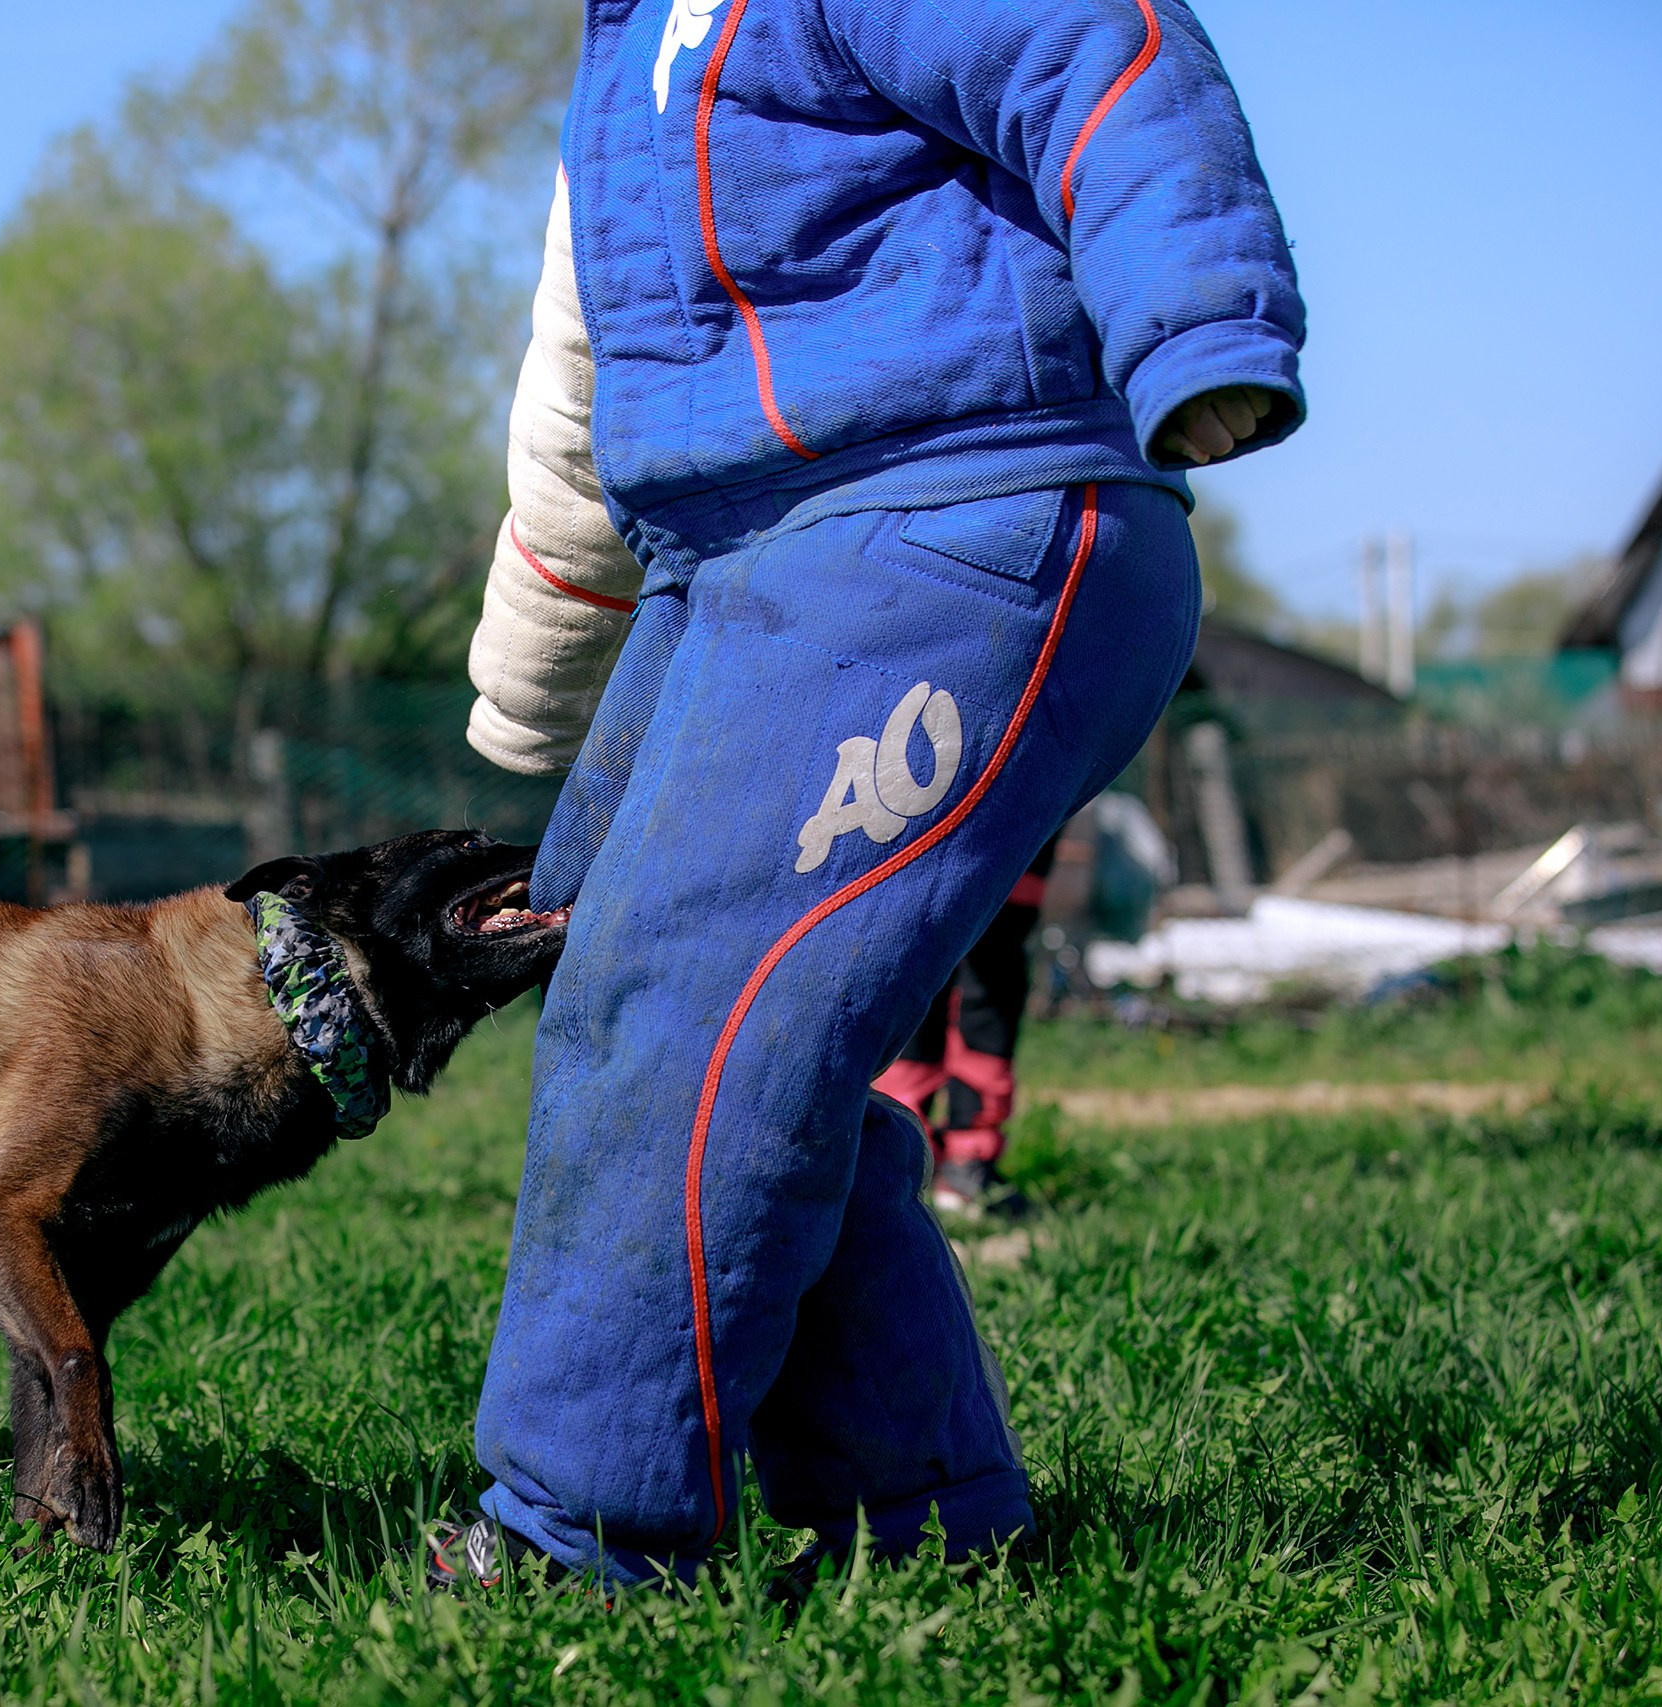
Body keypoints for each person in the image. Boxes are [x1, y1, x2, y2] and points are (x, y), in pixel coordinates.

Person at [430, 0, 1306, 1592]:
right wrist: (532, 673)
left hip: (954, 506)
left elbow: (1083, 49)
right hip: (739, 556)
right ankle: (924, 1524)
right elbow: (578, 379)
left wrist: (1198, 321)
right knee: (662, 998)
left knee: (686, 1017)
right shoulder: (625, 57)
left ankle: (582, 1536)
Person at [878, 835, 1058, 1216]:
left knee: (998, 955)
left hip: (1022, 796)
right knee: (919, 943)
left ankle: (967, 1160)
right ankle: (899, 1154)